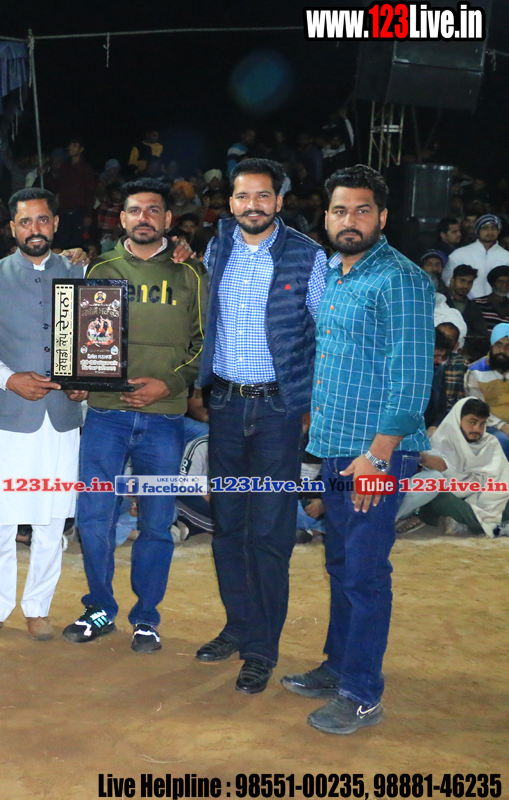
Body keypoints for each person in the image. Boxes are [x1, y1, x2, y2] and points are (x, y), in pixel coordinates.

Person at [281, 165, 432, 735]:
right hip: (336, 446)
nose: (350, 220)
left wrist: (379, 456)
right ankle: (338, 667)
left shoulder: (401, 279)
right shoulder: (334, 274)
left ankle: (362, 694)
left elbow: (412, 378)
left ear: (383, 217)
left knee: (365, 574)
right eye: (340, 210)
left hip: (375, 453)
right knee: (342, 564)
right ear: (326, 217)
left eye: (362, 210)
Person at [192, 159, 327, 692]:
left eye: (263, 196)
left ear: (279, 201)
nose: (253, 205)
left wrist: (310, 403)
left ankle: (261, 649)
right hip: (226, 406)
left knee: (269, 534)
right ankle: (238, 626)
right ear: (230, 202)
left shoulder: (307, 255)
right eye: (244, 196)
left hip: (277, 413)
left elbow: (324, 331)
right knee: (228, 527)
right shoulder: (217, 248)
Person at [66, 178, 207, 655]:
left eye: (153, 210)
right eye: (134, 210)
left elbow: (204, 344)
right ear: (121, 217)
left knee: (156, 523)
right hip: (105, 415)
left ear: (168, 219)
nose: (143, 217)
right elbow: (81, 340)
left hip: (165, 419)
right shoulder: (98, 269)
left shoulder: (192, 273)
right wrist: (79, 378)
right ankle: (99, 608)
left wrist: (170, 384)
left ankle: (146, 618)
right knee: (93, 519)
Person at [0, 187, 84, 643]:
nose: (35, 229)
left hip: (63, 418)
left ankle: (38, 607)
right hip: (8, 415)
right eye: (25, 221)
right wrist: (10, 379)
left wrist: (85, 383)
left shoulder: (79, 272)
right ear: (12, 228)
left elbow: (95, 345)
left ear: (55, 224)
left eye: (43, 220)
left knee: (51, 520)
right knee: (1, 518)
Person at [416, 398, 509, 536]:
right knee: (439, 497)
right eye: (472, 422)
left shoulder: (490, 443)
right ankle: (493, 527)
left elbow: (501, 481)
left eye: (482, 424)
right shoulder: (439, 441)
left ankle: (470, 523)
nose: (477, 429)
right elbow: (442, 480)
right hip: (453, 497)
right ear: (458, 420)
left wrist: (482, 498)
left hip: (480, 497)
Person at [463, 323, 509, 460]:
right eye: (498, 345)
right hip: (488, 425)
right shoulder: (476, 371)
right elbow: (477, 409)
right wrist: (504, 426)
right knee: (502, 440)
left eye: (508, 346)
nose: (502, 350)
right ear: (491, 346)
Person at [444, 214, 509, 299]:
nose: (490, 232)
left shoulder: (506, 256)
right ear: (477, 230)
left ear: (498, 231)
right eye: (485, 228)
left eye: (493, 228)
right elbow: (447, 281)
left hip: (500, 305)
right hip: (467, 304)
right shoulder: (459, 254)